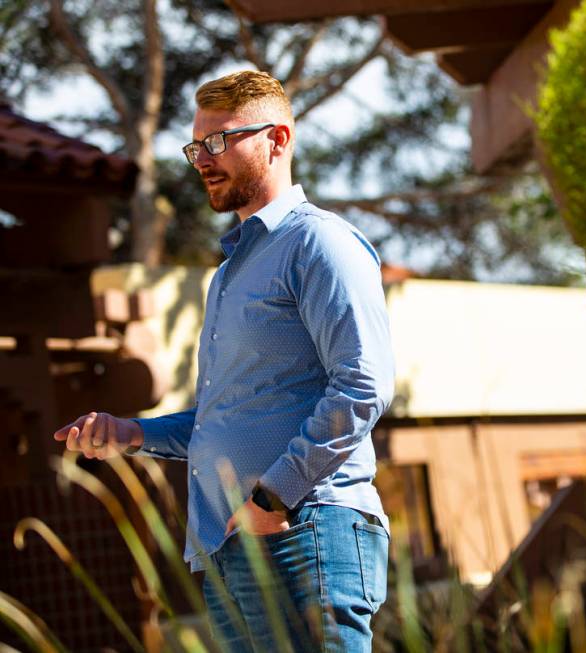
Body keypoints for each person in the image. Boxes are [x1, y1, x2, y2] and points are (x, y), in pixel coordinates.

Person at [53, 70, 394, 652]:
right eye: (195, 147)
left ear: (277, 139)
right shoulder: (231, 272)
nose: (202, 160)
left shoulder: (320, 244)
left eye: (219, 142)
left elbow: (363, 385)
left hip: (304, 532)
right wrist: (133, 433)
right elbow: (230, 416)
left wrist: (271, 498)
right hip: (231, 546)